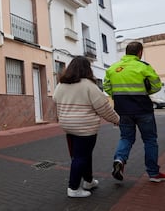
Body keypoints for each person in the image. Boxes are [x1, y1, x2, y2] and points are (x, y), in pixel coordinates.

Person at [53, 56, 119, 198]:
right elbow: (103, 108)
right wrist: (116, 120)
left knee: (82, 156)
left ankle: (88, 181)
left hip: (67, 126)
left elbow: (54, 99)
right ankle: (73, 188)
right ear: (87, 68)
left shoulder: (61, 84)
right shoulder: (89, 85)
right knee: (81, 157)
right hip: (85, 128)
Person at [104, 41, 165, 182]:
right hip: (143, 109)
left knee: (126, 138)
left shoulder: (113, 68)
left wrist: (117, 96)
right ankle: (153, 173)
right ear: (140, 52)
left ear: (126, 52)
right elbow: (156, 85)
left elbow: (107, 86)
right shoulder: (143, 67)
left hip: (122, 110)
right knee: (150, 140)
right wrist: (146, 91)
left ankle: (119, 159)